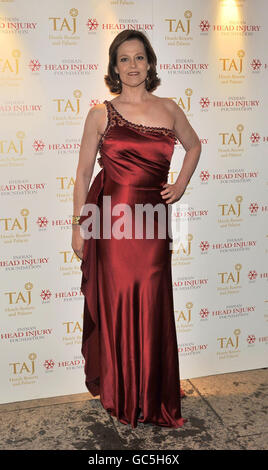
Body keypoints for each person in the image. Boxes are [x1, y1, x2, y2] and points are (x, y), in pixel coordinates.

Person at [72, 30, 201, 429]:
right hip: (111, 224)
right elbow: (82, 174)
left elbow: (194, 146)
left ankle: (153, 394)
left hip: (153, 222)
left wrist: (179, 185)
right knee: (118, 304)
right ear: (114, 67)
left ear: (150, 63)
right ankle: (122, 394)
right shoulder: (100, 114)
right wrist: (80, 225)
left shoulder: (169, 108)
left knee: (152, 301)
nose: (132, 65)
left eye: (139, 57)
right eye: (124, 59)